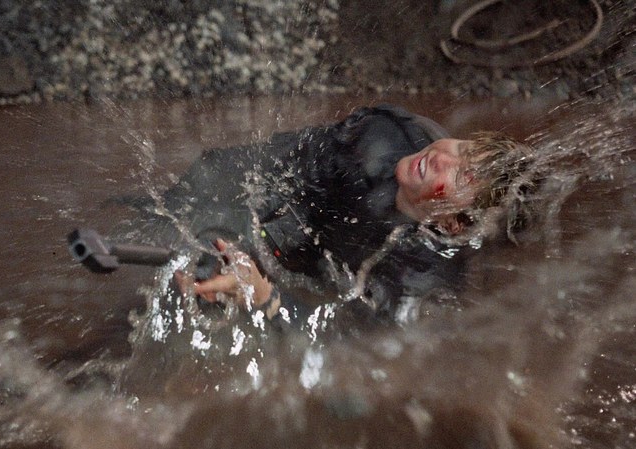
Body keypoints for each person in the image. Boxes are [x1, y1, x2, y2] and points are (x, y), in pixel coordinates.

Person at [127, 104, 535, 330]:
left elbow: (347, 352)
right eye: (462, 150)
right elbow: (252, 169)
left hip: (325, 268)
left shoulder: (419, 277)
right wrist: (237, 243)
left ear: (453, 223)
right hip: (277, 214)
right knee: (180, 247)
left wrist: (266, 298)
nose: (442, 158)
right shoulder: (380, 136)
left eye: (462, 176)